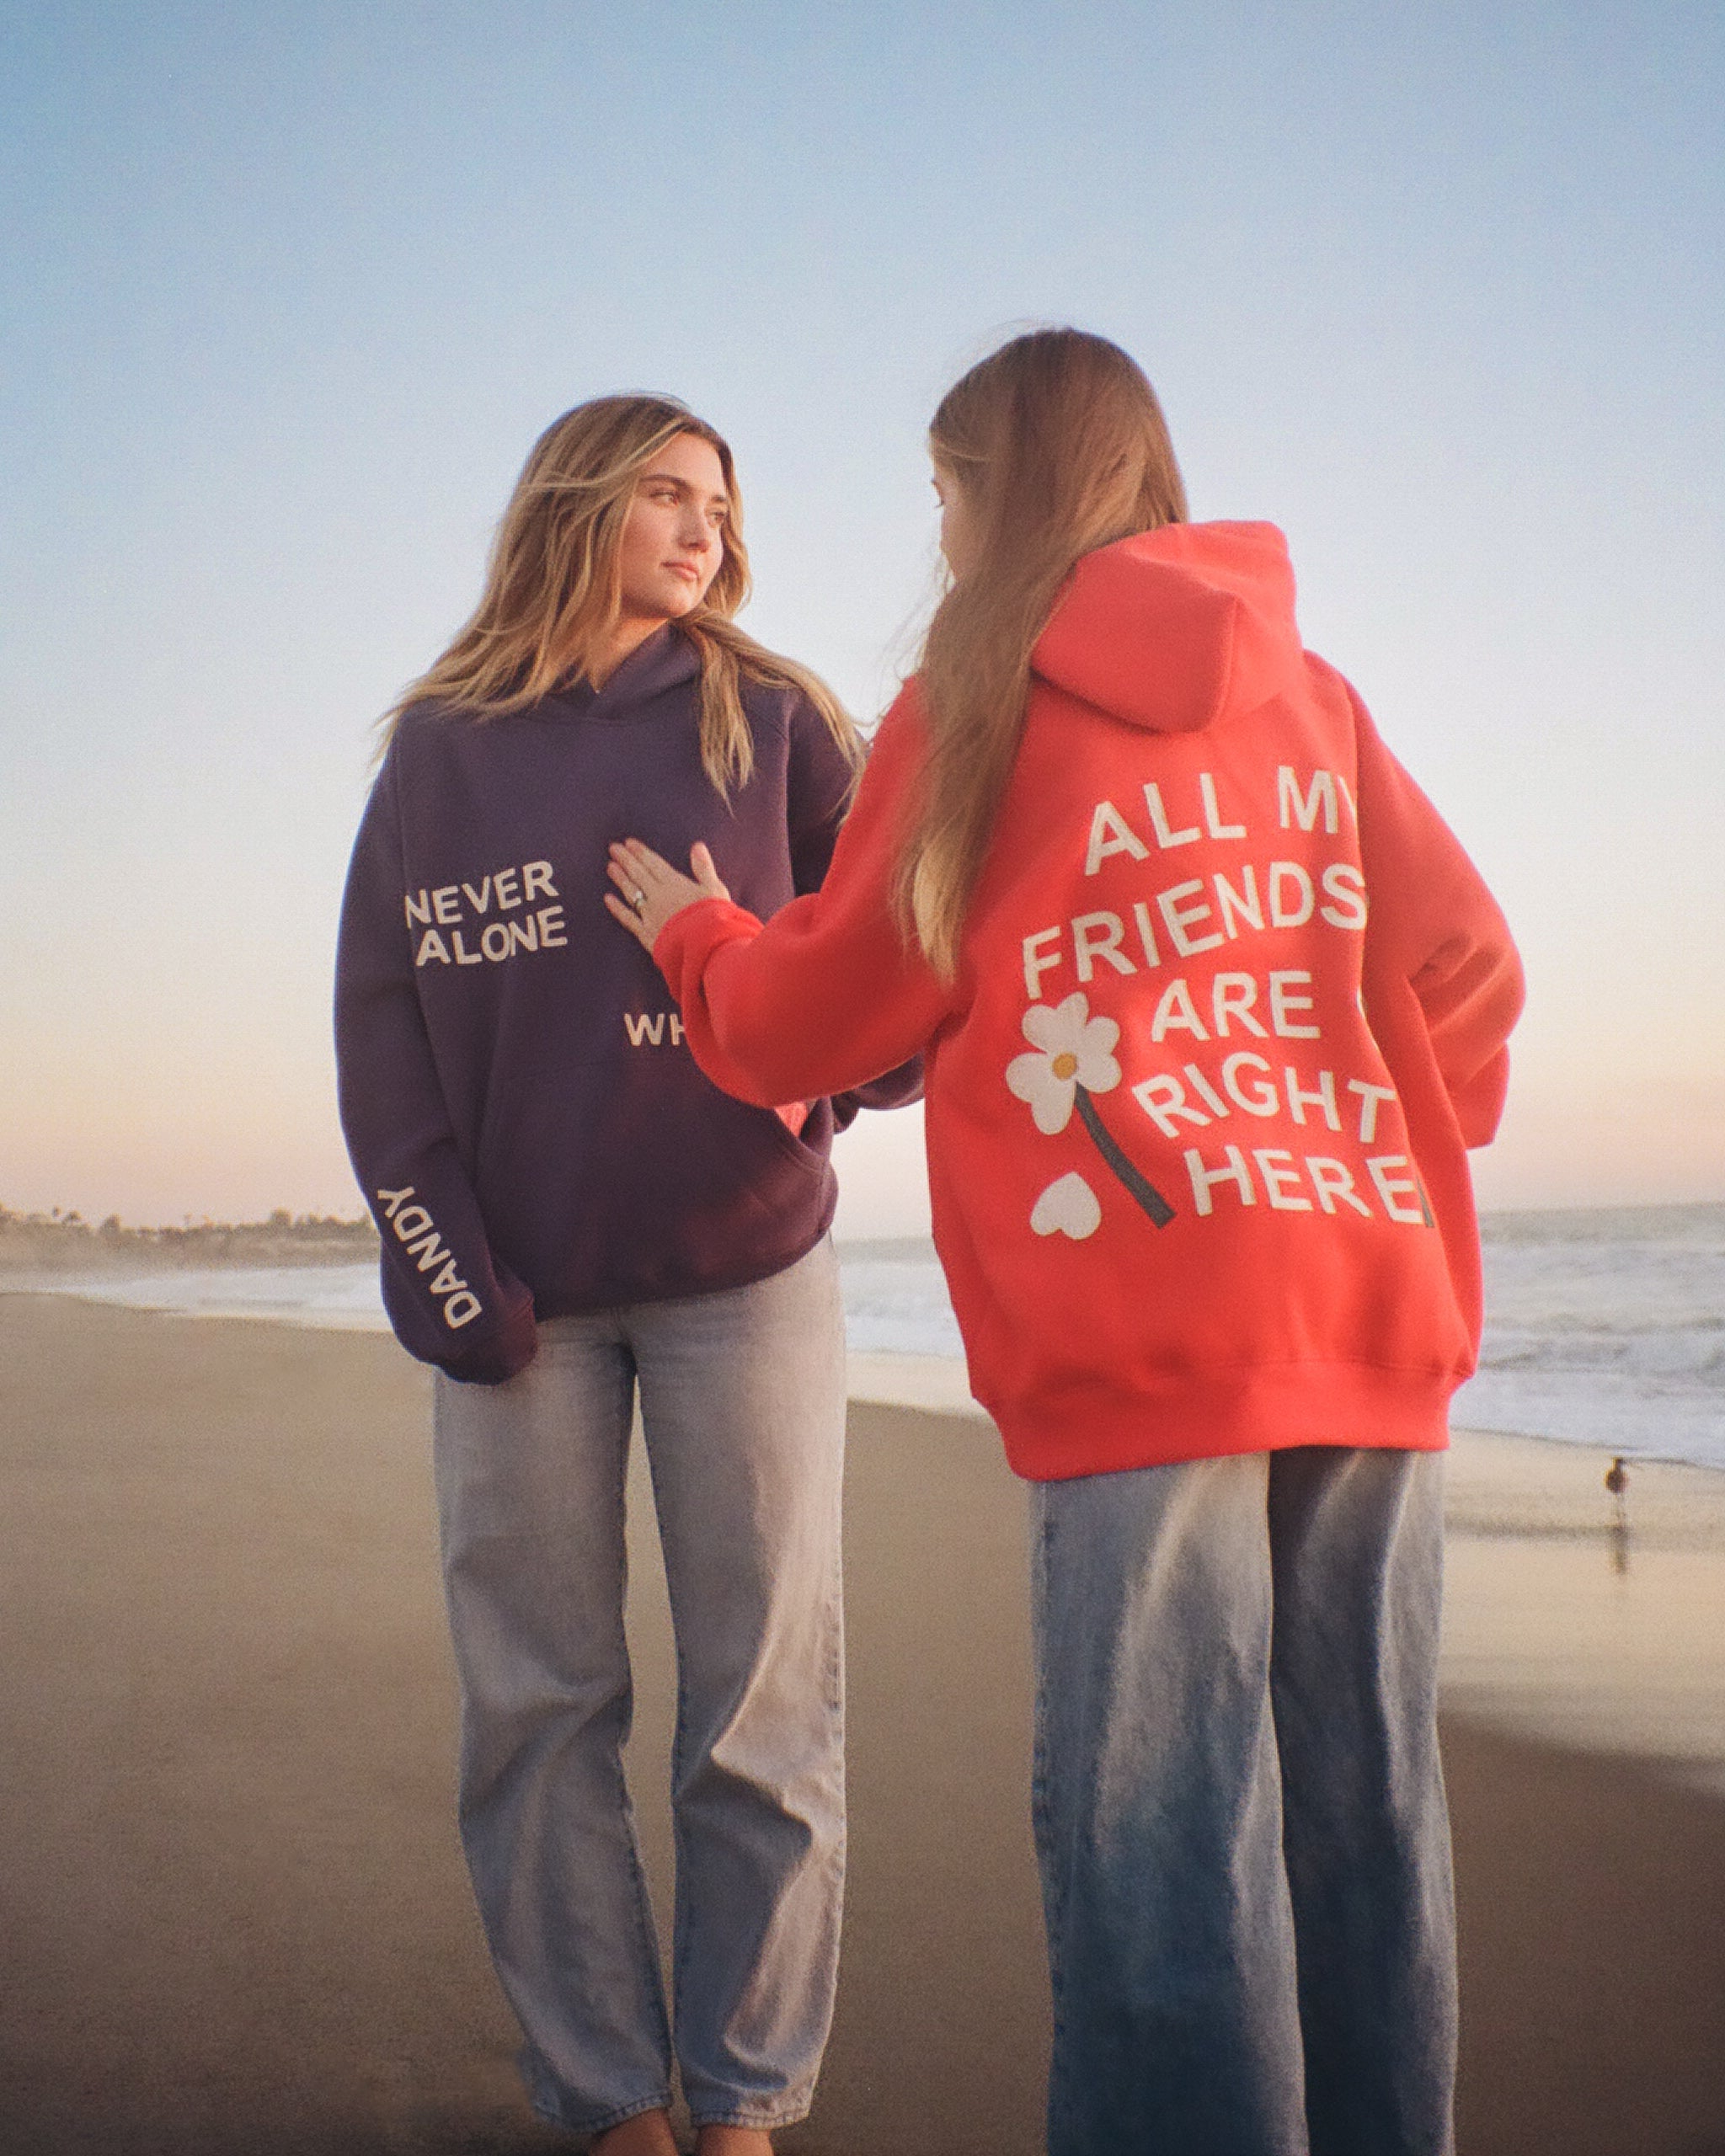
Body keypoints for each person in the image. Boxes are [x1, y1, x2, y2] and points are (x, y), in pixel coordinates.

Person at [606, 330, 1524, 2156]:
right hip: (1364, 1299)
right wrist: (1359, 1127)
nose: (939, 540)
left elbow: (831, 1010)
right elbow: (1469, 969)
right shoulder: (1314, 698)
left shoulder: (983, 700)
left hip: (1145, 1347)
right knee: (1365, 1820)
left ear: (1000, 495)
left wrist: (702, 938)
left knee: (1163, 1832)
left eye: (945, 496)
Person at [334, 393, 919, 2156]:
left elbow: (891, 945)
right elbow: (384, 1032)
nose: (703, 529)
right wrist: (448, 1273)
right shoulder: (437, 752)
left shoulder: (776, 718)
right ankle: (609, 2102)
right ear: (576, 503)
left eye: (719, 504)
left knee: (759, 1705)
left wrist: (852, 1072)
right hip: (517, 1302)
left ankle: (739, 2102)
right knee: (536, 1706)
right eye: (666, 492)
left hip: (746, 1268)